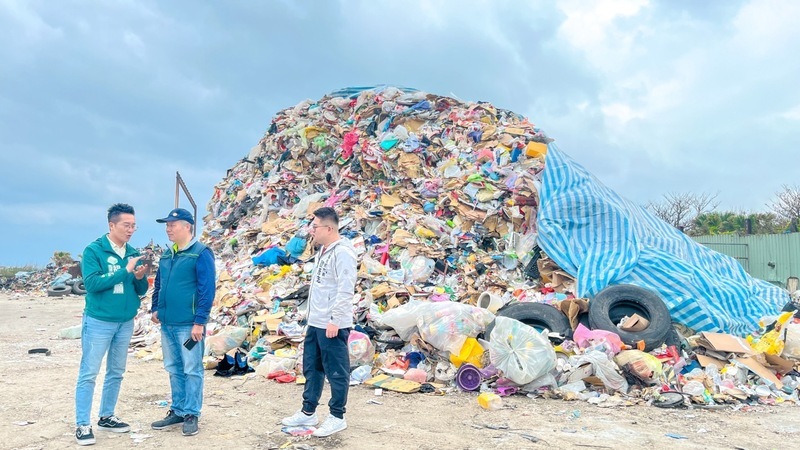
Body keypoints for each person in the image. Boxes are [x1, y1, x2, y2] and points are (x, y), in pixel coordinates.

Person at [75, 203, 149, 446]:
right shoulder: (94, 251)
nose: (131, 230)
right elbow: (93, 284)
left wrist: (139, 278)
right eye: (126, 225)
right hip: (99, 321)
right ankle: (82, 424)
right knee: (89, 373)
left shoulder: (133, 252)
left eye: (133, 225)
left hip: (125, 322)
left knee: (116, 372)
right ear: (112, 225)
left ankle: (106, 416)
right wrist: (124, 270)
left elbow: (139, 290)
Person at [282, 207, 357, 437]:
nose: (311, 231)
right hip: (315, 321)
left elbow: (345, 289)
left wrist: (335, 320)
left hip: (332, 324)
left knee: (336, 370)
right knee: (312, 367)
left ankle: (337, 416)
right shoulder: (324, 250)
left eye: (314, 227)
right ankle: (308, 411)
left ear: (328, 228)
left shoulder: (343, 252)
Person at [149, 208, 215, 437]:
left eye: (172, 225)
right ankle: (177, 409)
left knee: (192, 369)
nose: (168, 229)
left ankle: (191, 413)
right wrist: (155, 307)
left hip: (189, 325)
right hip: (167, 324)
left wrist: (200, 322)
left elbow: (207, 290)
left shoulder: (200, 253)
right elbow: (159, 283)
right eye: (166, 225)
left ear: (187, 226)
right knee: (174, 368)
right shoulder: (167, 255)